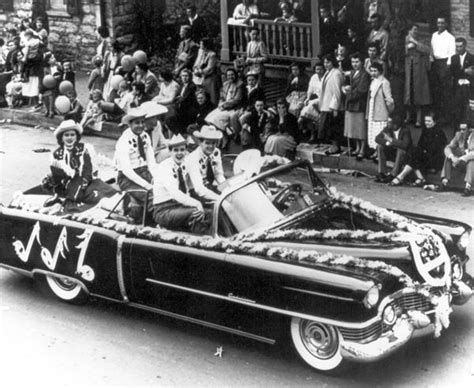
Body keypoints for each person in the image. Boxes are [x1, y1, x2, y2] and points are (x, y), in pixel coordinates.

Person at [44, 120, 117, 211]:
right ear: (61, 137)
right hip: (67, 183)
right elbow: (59, 174)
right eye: (66, 135)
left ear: (76, 136)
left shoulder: (85, 148)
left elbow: (88, 169)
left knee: (106, 195)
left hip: (86, 180)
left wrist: (82, 185)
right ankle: (60, 197)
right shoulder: (57, 153)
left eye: (72, 135)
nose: (69, 138)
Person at [151, 134, 208, 234]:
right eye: (176, 150)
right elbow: (175, 193)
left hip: (179, 206)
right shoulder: (164, 167)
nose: (179, 153)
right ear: (170, 151)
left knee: (210, 212)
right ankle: (198, 243)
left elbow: (197, 185)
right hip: (164, 209)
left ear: (186, 151)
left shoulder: (185, 164)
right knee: (196, 213)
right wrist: (196, 203)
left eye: (182, 150)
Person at [115, 107, 156, 221]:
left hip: (144, 172)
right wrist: (147, 186)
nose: (141, 126)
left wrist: (156, 178)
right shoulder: (123, 141)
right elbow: (127, 170)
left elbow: (151, 162)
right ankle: (158, 221)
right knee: (151, 197)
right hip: (128, 178)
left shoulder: (145, 136)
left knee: (163, 191)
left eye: (143, 122)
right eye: (137, 123)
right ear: (130, 124)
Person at [389, 114, 447, 186]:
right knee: (413, 152)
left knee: (415, 154)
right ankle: (420, 178)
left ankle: (401, 177)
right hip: (424, 156)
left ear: (434, 122)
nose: (426, 123)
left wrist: (424, 151)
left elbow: (437, 149)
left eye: (429, 121)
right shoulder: (425, 130)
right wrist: (422, 151)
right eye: (425, 121)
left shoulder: (439, 132)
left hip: (434, 159)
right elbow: (420, 144)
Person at [343, 52, 370, 159]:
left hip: (359, 104)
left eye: (357, 62)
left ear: (362, 62)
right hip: (351, 104)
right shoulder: (352, 72)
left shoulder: (365, 74)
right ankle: (357, 147)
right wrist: (345, 88)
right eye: (353, 62)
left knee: (360, 128)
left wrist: (348, 94)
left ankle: (362, 149)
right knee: (353, 128)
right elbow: (347, 85)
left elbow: (361, 90)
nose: (354, 64)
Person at [187, 125, 226, 201]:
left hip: (209, 186)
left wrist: (226, 188)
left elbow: (219, 174)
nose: (211, 146)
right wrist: (219, 199)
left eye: (213, 143)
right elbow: (199, 189)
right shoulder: (193, 158)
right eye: (207, 143)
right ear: (200, 142)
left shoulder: (216, 152)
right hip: (196, 191)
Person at [205, 67, 243, 145]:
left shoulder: (240, 85)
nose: (230, 77)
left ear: (236, 75)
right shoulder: (226, 84)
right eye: (228, 75)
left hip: (234, 108)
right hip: (224, 106)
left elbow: (237, 100)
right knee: (208, 118)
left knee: (217, 119)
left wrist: (224, 106)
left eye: (232, 75)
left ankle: (225, 136)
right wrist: (220, 104)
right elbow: (222, 97)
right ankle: (221, 135)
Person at [404, 24, 431, 127]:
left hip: (418, 71)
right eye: (414, 30)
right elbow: (400, 51)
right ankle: (408, 117)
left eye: (417, 30)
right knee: (408, 95)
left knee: (418, 94)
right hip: (407, 69)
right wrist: (407, 47)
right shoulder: (405, 40)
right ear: (409, 30)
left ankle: (418, 120)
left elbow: (427, 50)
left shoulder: (420, 40)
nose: (416, 32)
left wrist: (415, 43)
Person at [317, 54, 345, 154]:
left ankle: (336, 147)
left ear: (332, 62)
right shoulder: (327, 73)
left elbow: (337, 92)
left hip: (332, 106)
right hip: (326, 104)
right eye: (324, 62)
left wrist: (335, 108)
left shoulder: (336, 73)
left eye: (328, 62)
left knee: (334, 127)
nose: (326, 64)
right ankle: (334, 146)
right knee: (328, 128)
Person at [430, 17, 455, 124]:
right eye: (438, 23)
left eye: (442, 23)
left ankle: (446, 117)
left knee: (445, 90)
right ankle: (437, 114)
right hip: (435, 63)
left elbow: (452, 53)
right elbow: (432, 48)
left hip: (444, 64)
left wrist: (447, 67)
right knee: (435, 90)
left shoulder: (450, 37)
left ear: (446, 24)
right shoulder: (434, 35)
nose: (440, 25)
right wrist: (431, 57)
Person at [366, 62, 393, 156]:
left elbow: (389, 99)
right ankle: (375, 151)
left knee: (379, 131)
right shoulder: (373, 81)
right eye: (371, 71)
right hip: (373, 110)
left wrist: (389, 112)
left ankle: (380, 153)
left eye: (375, 71)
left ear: (380, 71)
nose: (373, 73)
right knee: (373, 131)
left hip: (381, 111)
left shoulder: (384, 82)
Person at [374, 116, 412, 183]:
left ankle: (393, 175)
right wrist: (387, 143)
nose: (388, 123)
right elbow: (377, 138)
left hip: (403, 156)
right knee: (379, 146)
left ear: (396, 124)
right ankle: (382, 173)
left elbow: (405, 145)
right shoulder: (387, 129)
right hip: (392, 153)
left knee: (400, 150)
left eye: (390, 122)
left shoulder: (405, 131)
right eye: (388, 122)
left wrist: (391, 140)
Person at [440, 123, 474, 196]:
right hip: (462, 163)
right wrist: (452, 157)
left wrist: (462, 158)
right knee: (448, 157)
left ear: (470, 129)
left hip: (470, 163)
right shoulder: (458, 135)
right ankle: (445, 182)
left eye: (464, 129)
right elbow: (448, 147)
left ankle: (468, 187)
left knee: (472, 161)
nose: (461, 131)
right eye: (460, 129)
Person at [450, 38, 474, 127]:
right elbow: (453, 72)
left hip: (469, 87)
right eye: (456, 46)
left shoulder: (472, 58)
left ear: (465, 46)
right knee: (457, 109)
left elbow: (472, 73)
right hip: (458, 86)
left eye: (460, 46)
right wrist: (465, 71)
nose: (458, 49)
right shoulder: (454, 58)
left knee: (467, 109)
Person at [299, 62, 325, 142]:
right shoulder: (314, 77)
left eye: (321, 69)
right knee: (308, 105)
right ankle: (312, 134)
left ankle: (302, 119)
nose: (319, 71)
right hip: (315, 98)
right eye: (317, 69)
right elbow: (310, 89)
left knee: (311, 105)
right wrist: (307, 98)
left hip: (324, 99)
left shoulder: (326, 77)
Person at [192, 38, 220, 106]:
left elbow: (210, 68)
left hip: (210, 77)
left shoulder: (212, 54)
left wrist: (200, 72)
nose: (200, 45)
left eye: (201, 44)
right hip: (200, 77)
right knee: (200, 94)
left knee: (212, 96)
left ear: (206, 45)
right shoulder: (200, 52)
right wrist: (195, 69)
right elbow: (196, 62)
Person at [175, 68, 197, 133]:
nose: (184, 78)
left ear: (190, 77)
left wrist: (178, 99)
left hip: (189, 108)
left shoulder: (192, 86)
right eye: (183, 76)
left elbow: (186, 99)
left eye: (186, 76)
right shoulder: (181, 85)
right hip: (181, 106)